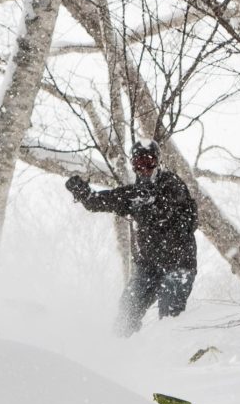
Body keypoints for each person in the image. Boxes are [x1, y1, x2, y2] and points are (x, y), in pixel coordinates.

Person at [67, 143, 198, 333]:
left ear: (158, 163)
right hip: (149, 266)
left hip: (178, 264)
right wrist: (84, 194)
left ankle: (171, 354)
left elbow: (177, 215)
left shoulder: (173, 185)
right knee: (127, 311)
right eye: (138, 164)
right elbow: (104, 200)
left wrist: (154, 202)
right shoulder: (136, 193)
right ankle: (119, 350)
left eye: (149, 163)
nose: (144, 169)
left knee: (169, 314)